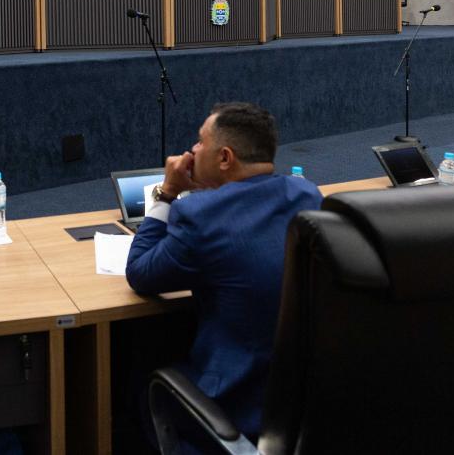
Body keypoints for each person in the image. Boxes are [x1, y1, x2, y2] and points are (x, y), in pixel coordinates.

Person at [126, 102, 322, 439]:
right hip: (307, 404)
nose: (192, 150)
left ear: (225, 158)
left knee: (133, 379)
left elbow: (141, 272)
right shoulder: (306, 193)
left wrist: (167, 192)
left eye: (200, 142)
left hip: (235, 406)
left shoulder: (199, 214)